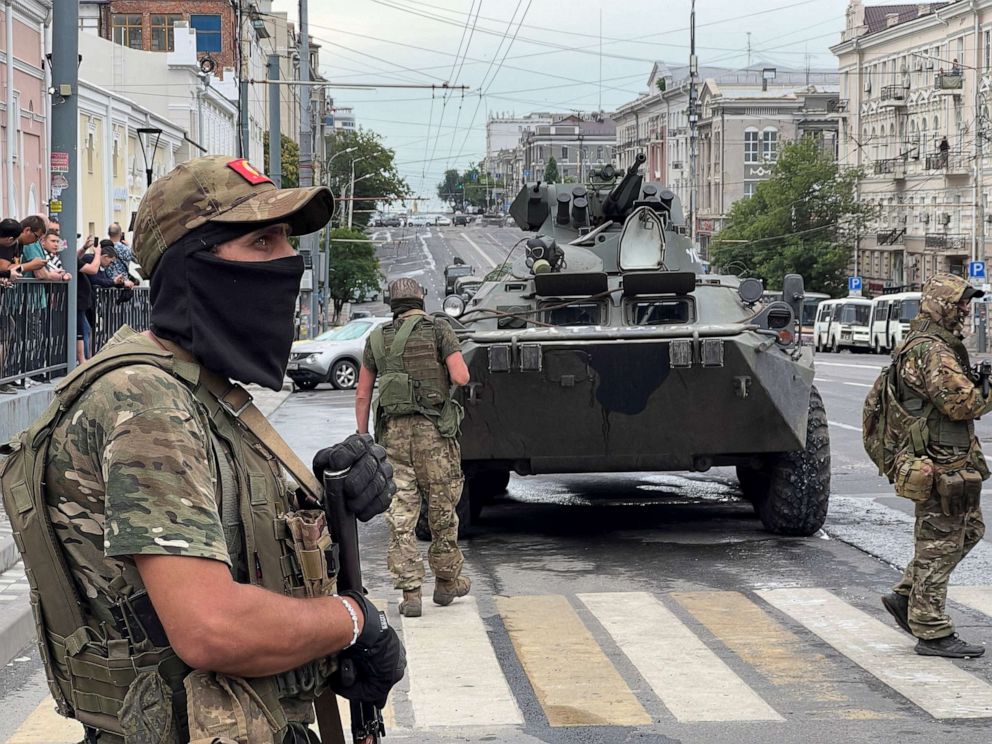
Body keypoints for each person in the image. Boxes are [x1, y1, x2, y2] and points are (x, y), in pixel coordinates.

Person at [7, 155, 404, 742]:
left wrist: (324, 497)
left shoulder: (200, 391)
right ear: (194, 266)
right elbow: (211, 627)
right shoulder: (146, 401)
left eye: (286, 241)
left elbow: (241, 539)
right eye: (262, 241)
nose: (288, 262)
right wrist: (353, 622)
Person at [880, 272, 989, 658]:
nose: (965, 309)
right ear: (941, 305)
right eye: (960, 302)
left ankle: (907, 595)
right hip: (939, 460)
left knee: (969, 530)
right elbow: (961, 405)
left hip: (946, 456)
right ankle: (931, 629)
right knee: (939, 544)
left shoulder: (928, 342)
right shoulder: (934, 350)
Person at [356, 277, 471, 618]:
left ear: (391, 303)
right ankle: (447, 581)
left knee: (401, 516)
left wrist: (363, 437)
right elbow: (461, 377)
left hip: (392, 436)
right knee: (441, 509)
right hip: (433, 435)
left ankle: (410, 593)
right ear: (421, 299)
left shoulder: (376, 338)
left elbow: (363, 394)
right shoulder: (439, 330)